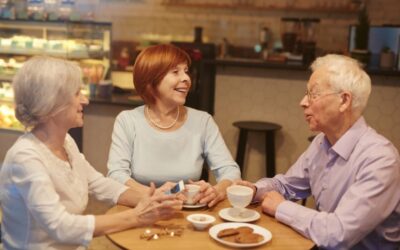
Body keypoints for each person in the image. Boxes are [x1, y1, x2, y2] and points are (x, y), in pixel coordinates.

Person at [0, 56, 182, 250]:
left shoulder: (66, 143)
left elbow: (97, 183)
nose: (85, 100)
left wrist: (149, 197)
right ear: (52, 104)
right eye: (77, 93)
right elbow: (60, 226)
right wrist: (137, 216)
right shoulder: (25, 158)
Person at [237, 54, 400, 249]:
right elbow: (286, 185)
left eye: (313, 94)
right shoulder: (322, 143)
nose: (303, 102)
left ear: (344, 100)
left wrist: (281, 207)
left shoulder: (380, 159)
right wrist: (255, 190)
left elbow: (338, 234)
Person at [107, 44, 241, 207]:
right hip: (140, 209)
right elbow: (116, 174)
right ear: (151, 80)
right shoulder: (128, 121)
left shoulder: (202, 122)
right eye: (176, 72)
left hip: (189, 211)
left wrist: (217, 190)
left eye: (186, 71)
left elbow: (230, 171)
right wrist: (154, 194)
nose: (186, 78)